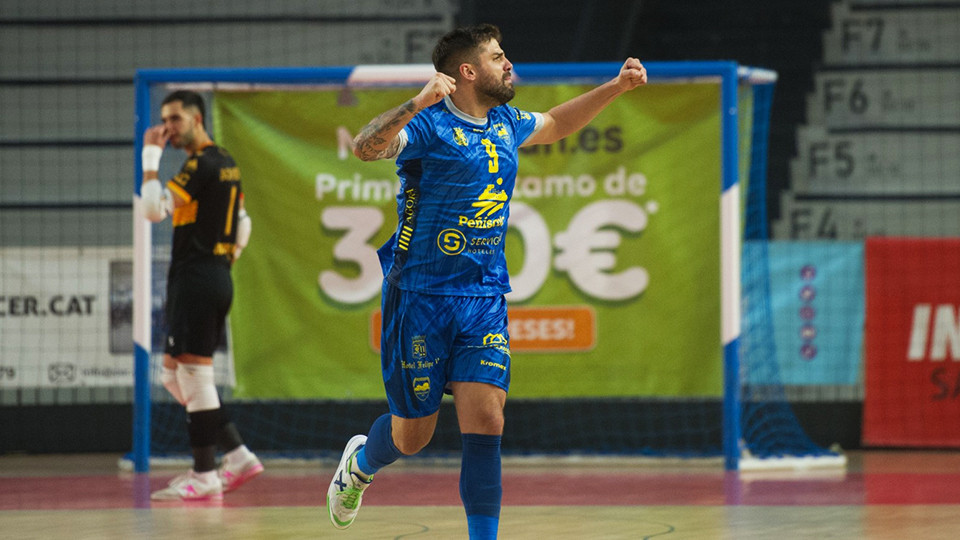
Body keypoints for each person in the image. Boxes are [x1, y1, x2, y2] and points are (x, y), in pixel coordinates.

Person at [325, 24, 646, 538]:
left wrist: (615, 87)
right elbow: (366, 147)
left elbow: (558, 123)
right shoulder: (428, 126)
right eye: (498, 57)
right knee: (414, 437)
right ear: (468, 72)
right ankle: (360, 463)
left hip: (483, 298)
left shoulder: (505, 122)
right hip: (419, 299)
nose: (509, 64)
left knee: (488, 420)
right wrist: (415, 102)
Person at [140, 90, 263, 501]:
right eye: (164, 120)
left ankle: (205, 473)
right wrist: (225, 262)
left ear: (197, 118)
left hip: (197, 277)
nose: (168, 128)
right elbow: (243, 223)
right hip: (207, 275)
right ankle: (239, 455)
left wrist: (150, 157)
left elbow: (153, 210)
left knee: (193, 376)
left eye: (175, 119)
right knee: (173, 375)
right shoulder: (226, 161)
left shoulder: (200, 163)